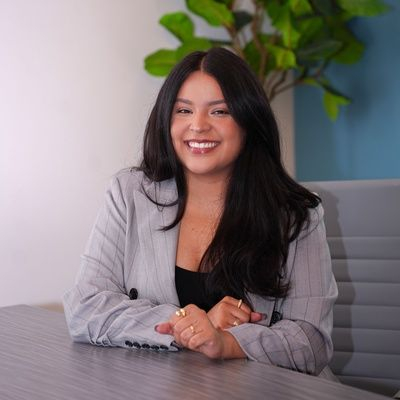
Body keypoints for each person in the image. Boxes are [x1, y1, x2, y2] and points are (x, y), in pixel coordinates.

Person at [63, 47, 338, 377]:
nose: (198, 125)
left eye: (219, 112)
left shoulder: (295, 215)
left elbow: (311, 341)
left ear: (249, 122)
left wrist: (227, 342)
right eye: (183, 110)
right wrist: (190, 325)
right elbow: (86, 307)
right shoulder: (130, 194)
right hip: (163, 386)